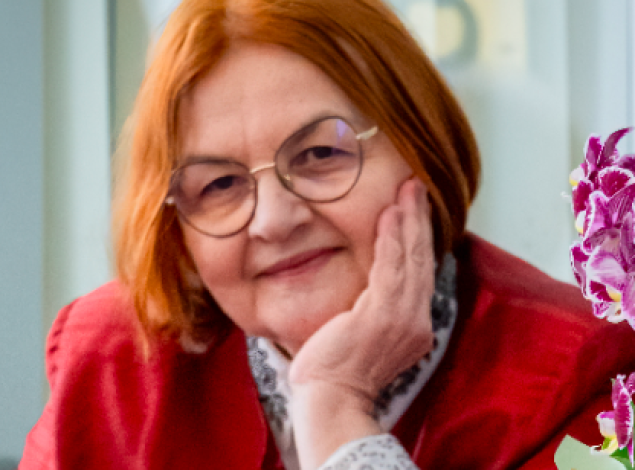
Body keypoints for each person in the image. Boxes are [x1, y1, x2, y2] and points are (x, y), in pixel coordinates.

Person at [19, 0, 635, 468]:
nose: (272, 220)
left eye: (320, 154)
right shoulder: (108, 361)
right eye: (220, 185)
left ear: (422, 149)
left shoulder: (586, 376)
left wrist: (336, 409)